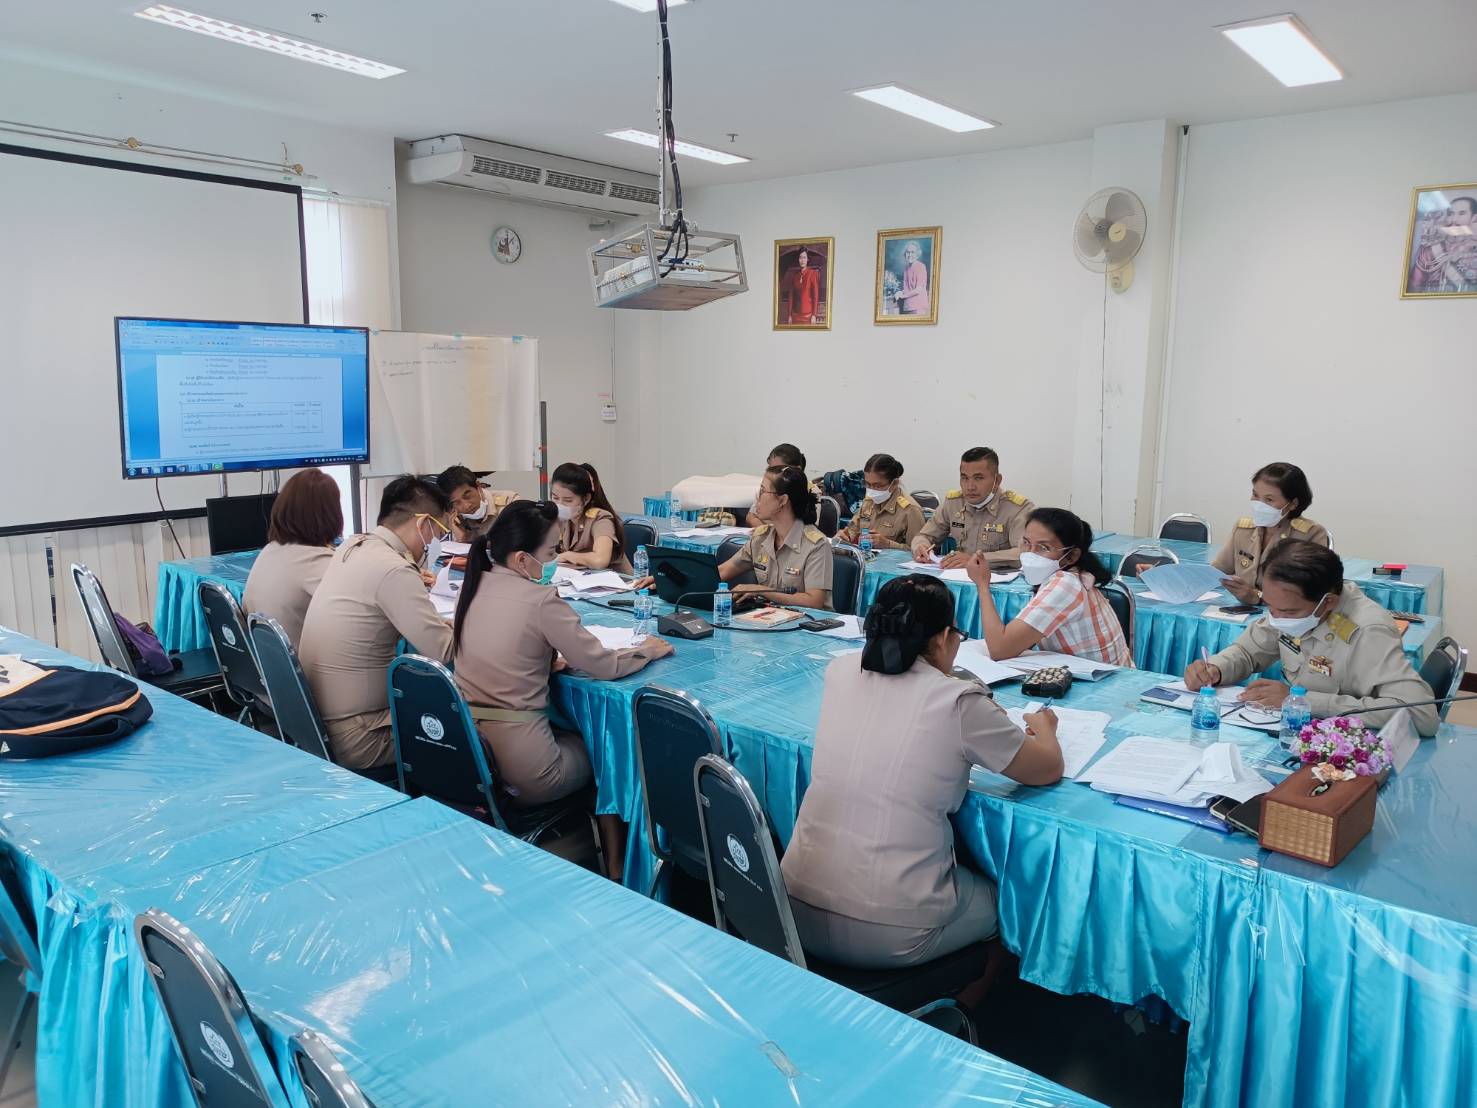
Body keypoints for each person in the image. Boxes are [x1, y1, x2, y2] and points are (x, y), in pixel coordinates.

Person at [781, 575, 1062, 987]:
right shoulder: (957, 700)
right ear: (946, 637)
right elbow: (1045, 770)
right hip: (890, 929)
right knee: (1018, 898)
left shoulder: (840, 671)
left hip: (791, 907)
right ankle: (958, 1012)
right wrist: (1046, 728)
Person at [453, 500, 673, 876]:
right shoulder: (540, 600)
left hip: (471, 750)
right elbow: (602, 665)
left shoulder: (474, 585)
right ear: (523, 559)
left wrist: (541, 661)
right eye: (552, 552)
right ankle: (621, 869)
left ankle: (613, 860)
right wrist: (646, 652)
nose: (557, 560)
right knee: (611, 752)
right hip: (527, 767)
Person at [1185, 541, 1439, 735]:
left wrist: (1304, 702)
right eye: (1270, 606)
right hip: (1297, 734)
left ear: (1328, 602)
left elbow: (1420, 715)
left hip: (1346, 751)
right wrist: (1216, 669)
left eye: (1286, 611)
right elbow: (1248, 651)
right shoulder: (1289, 605)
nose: (1275, 617)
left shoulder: (1367, 630)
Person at [298, 475, 455, 771]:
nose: (436, 542)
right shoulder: (394, 570)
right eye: (440, 531)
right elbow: (444, 652)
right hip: (363, 735)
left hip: (317, 725)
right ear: (423, 525)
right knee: (477, 732)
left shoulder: (352, 546)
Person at [970, 507, 1133, 667]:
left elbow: (1000, 649)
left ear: (1071, 556)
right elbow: (1020, 642)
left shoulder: (1066, 584)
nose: (1031, 554)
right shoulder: (1068, 575)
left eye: (1043, 548)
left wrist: (982, 585)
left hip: (1104, 685)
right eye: (1027, 543)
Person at [242, 469, 341, 649]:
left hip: (274, 668)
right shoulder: (317, 561)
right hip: (310, 671)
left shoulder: (269, 551)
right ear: (331, 514)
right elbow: (360, 609)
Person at [1212, 463, 1329, 606]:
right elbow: (1218, 570)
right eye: (1255, 495)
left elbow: (1310, 592)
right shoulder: (1243, 528)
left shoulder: (1311, 534)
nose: (1259, 504)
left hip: (1285, 615)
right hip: (1241, 609)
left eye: (1269, 500)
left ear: (1293, 504)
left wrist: (1258, 597)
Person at [723, 465, 833, 610]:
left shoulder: (816, 545)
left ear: (782, 501)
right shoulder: (761, 537)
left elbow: (814, 602)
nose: (757, 498)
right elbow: (723, 571)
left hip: (808, 626)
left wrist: (761, 591)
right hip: (769, 620)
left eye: (763, 491)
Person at [910, 447, 1035, 569]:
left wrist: (974, 558)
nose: (970, 487)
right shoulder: (954, 503)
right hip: (957, 576)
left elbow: (1024, 553)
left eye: (978, 478)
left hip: (997, 582)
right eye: (964, 478)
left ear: (997, 480)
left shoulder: (1018, 509)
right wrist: (921, 547)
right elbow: (924, 536)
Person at [550, 462, 632, 574]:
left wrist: (568, 556)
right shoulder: (563, 520)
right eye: (555, 498)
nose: (560, 504)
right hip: (580, 582)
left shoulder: (601, 519)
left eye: (568, 500)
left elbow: (600, 560)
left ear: (586, 499)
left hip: (617, 585)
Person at [840, 453, 924, 550]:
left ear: (894, 483)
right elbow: (852, 530)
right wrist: (844, 536)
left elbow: (919, 552)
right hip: (866, 558)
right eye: (867, 484)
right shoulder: (868, 501)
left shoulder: (911, 510)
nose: (871, 490)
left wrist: (888, 544)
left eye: (878, 486)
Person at [1408, 196, 1477, 293]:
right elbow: (1413, 287)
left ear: (1474, 217)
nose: (1454, 220)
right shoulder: (1429, 251)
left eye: (1462, 213)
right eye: (1451, 214)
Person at [436, 464, 521, 542]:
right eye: (456, 502)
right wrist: (461, 539)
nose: (466, 506)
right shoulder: (452, 519)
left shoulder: (511, 502)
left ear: (478, 487)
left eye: (467, 496)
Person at [746, 444, 813, 526]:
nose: (772, 474)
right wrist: (763, 530)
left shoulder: (804, 495)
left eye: (777, 469)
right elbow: (751, 515)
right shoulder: (767, 488)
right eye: (770, 468)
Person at [786, 247, 822, 325]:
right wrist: (789, 315)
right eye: (800, 258)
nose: (802, 260)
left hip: (808, 316)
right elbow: (791, 296)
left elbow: (815, 296)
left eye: (804, 258)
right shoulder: (794, 275)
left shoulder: (813, 274)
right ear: (798, 259)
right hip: (795, 315)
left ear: (807, 259)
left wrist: (814, 315)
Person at [894, 240, 930, 315]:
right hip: (907, 306)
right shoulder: (906, 268)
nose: (910, 255)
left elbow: (918, 289)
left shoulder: (921, 267)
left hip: (918, 307)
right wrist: (900, 292)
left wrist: (903, 296)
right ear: (905, 254)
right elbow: (907, 288)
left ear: (917, 254)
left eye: (912, 252)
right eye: (908, 252)